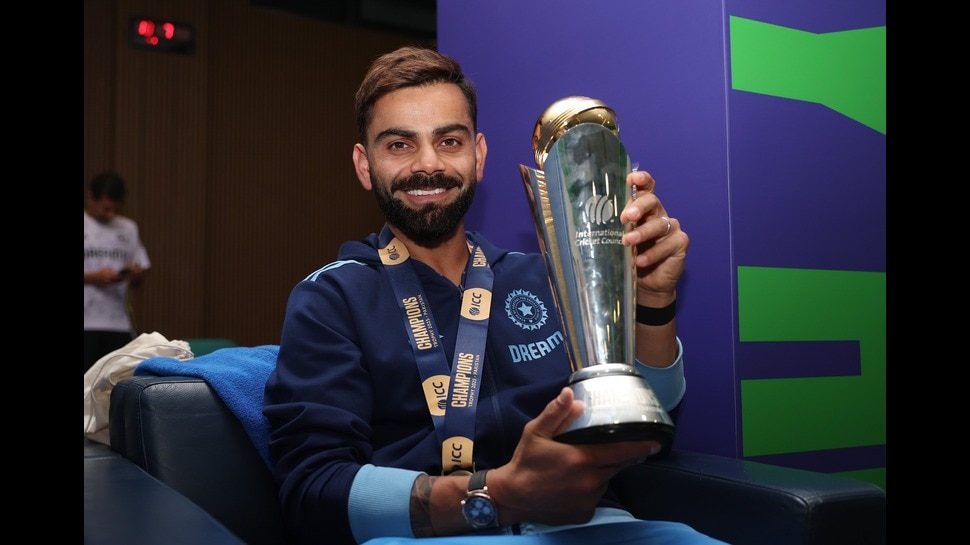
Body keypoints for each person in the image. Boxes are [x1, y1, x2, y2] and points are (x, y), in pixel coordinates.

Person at [263, 46, 726, 545]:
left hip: (593, 528)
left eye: (449, 141)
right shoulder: (332, 297)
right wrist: (502, 494)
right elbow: (314, 491)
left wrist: (654, 299)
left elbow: (648, 417)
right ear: (364, 164)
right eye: (399, 144)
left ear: (478, 155)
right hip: (432, 537)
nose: (428, 164)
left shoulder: (549, 276)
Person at [83, 171, 151, 373]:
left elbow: (140, 270)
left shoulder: (128, 227)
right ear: (90, 197)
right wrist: (94, 277)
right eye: (105, 208)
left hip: (118, 322)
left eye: (115, 209)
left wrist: (135, 273)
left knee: (118, 380)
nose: (110, 215)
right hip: (87, 322)